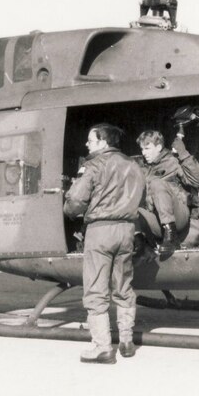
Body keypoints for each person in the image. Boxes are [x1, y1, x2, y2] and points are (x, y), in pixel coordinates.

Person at [63, 123, 145, 364]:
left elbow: (76, 200)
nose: (87, 144)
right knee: (123, 285)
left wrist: (68, 209)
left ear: (103, 143)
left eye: (91, 140)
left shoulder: (93, 165)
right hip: (127, 230)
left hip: (100, 231)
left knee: (96, 289)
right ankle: (127, 341)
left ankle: (102, 347)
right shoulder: (134, 165)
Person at [137, 130, 199, 254]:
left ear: (158, 147)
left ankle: (171, 237)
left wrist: (183, 154)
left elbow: (197, 181)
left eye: (147, 148)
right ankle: (141, 243)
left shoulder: (172, 161)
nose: (143, 153)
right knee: (129, 207)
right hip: (156, 220)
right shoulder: (142, 167)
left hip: (177, 217)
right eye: (142, 149)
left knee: (156, 183)